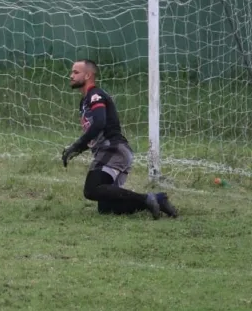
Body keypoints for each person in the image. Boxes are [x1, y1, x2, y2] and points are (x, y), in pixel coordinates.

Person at [62, 59, 178, 219]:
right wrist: (78, 149)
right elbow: (94, 131)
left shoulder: (95, 95)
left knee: (91, 189)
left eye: (76, 72)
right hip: (114, 151)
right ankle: (158, 199)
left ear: (88, 75)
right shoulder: (85, 101)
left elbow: (100, 123)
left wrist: (76, 146)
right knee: (106, 206)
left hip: (113, 149)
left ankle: (146, 199)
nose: (71, 76)